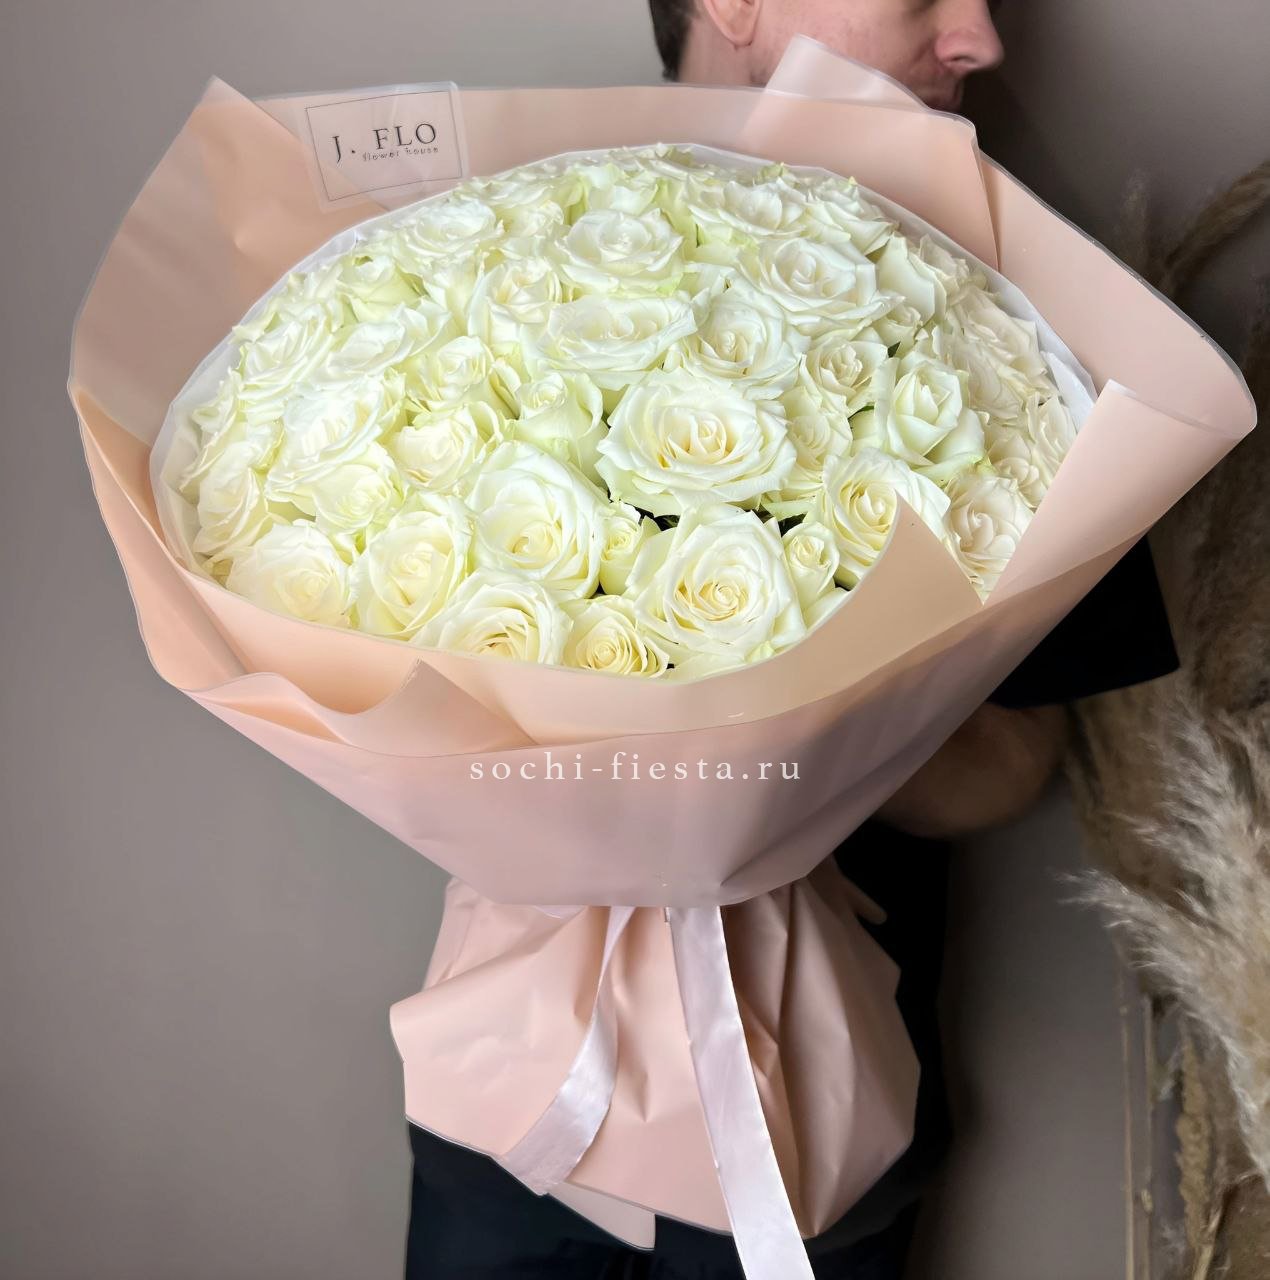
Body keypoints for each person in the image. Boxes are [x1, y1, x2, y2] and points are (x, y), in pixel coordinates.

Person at [403, 3, 1180, 1275]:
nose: (978, 38)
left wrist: (772, 739)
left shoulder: (1014, 318)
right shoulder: (506, 248)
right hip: (514, 1077)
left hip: (814, 1102)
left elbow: (1019, 761)